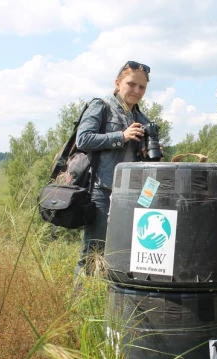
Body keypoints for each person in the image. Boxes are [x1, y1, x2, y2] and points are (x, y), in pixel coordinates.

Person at [74, 60, 158, 280]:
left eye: (142, 87)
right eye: (132, 84)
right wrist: (121, 136)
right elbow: (83, 139)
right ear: (118, 83)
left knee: (124, 252)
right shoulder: (101, 106)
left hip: (132, 194)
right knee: (94, 253)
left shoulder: (140, 118)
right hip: (102, 190)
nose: (137, 91)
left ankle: (111, 300)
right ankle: (81, 303)